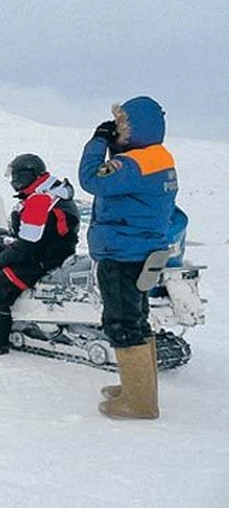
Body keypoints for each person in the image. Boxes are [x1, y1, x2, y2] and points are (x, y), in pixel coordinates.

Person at [79, 96, 177, 420]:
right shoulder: (157, 158)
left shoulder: (133, 165)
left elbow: (92, 179)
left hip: (122, 253)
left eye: (121, 123)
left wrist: (97, 141)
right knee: (137, 319)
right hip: (139, 251)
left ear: (137, 128)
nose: (116, 129)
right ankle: (138, 390)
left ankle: (139, 403)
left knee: (122, 323)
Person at [0, 154, 80, 357]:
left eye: (15, 176)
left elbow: (27, 246)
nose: (12, 181)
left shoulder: (40, 200)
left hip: (43, 259)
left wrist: (0, 262)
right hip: (47, 250)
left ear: (26, 176)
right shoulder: (49, 192)